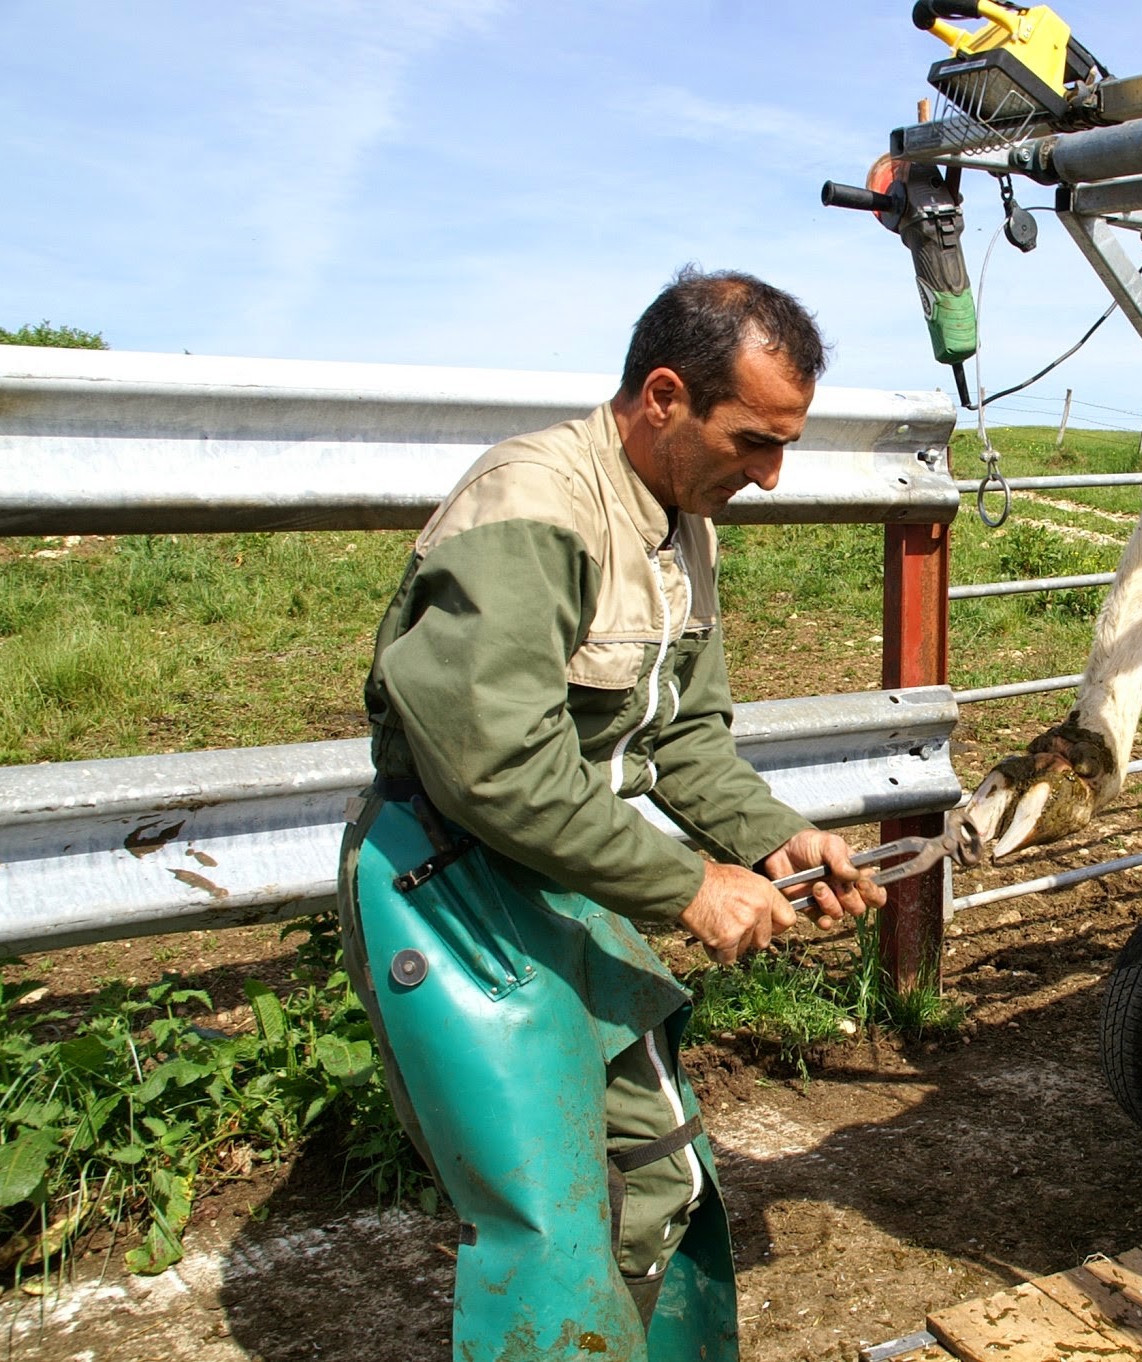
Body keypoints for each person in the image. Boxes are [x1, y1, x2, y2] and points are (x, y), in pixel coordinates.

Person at [336, 267, 884, 1362]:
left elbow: (681, 737)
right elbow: (493, 767)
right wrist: (684, 886)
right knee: (546, 1217)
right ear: (664, 397)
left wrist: (770, 839)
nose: (772, 478)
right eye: (754, 442)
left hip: (563, 874)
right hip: (446, 879)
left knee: (654, 1172)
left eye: (786, 445)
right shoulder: (535, 502)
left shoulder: (683, 522)